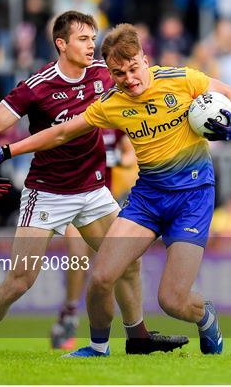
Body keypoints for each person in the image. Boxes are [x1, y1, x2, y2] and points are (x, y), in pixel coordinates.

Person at [0, 23, 231, 357]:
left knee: (172, 301)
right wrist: (5, 151)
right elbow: (62, 133)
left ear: (144, 59)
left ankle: (206, 317)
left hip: (193, 197)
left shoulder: (181, 79)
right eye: (119, 73)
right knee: (103, 276)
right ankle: (98, 347)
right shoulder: (112, 102)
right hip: (148, 197)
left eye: (134, 68)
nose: (129, 79)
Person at [0, 12, 187, 358]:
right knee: (20, 280)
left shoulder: (104, 73)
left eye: (93, 37)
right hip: (48, 193)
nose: (91, 45)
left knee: (129, 262)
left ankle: (139, 338)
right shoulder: (36, 86)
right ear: (61, 43)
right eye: (83, 38)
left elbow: (144, 87)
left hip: (95, 190)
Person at [51, 129, 136, 350]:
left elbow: (130, 155)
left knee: (119, 262)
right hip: (74, 198)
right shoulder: (74, 119)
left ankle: (133, 328)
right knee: (78, 257)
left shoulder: (112, 120)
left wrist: (111, 157)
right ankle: (69, 315)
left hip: (104, 203)